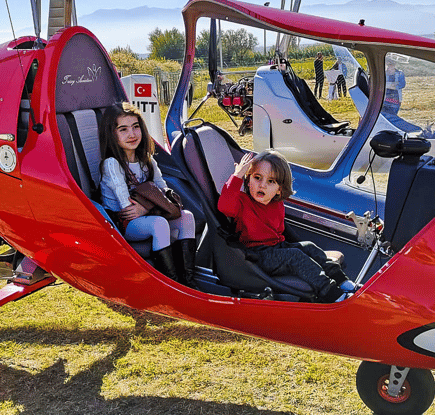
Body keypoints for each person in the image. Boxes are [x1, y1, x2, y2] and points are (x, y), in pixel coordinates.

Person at [217, 151, 356, 302]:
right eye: (257, 178)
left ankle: (341, 280)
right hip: (256, 254)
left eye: (271, 181)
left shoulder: (276, 204)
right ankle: (330, 292)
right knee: (295, 257)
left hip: (276, 247)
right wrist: (237, 176)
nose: (262, 184)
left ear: (279, 190)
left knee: (308, 246)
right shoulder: (242, 202)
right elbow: (225, 206)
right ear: (248, 180)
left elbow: (278, 232)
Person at [99, 102, 198, 288]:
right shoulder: (112, 164)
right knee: (159, 224)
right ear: (112, 134)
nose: (132, 134)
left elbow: (164, 191)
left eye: (136, 127)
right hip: (122, 225)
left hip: (146, 216)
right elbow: (127, 209)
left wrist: (146, 207)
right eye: (123, 129)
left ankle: (188, 282)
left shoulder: (147, 161)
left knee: (187, 217)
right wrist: (151, 206)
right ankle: (171, 285)